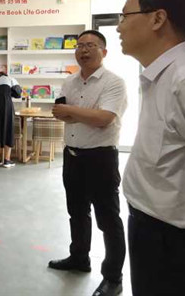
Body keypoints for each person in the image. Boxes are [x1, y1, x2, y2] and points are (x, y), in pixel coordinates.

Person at [119, 0, 185, 296]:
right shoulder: (161, 75)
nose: (119, 27)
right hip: (152, 228)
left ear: (158, 19)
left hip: (180, 242)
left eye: (125, 16)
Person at [50, 30, 127, 296]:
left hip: (101, 158)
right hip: (72, 156)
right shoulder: (69, 81)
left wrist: (73, 112)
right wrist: (81, 114)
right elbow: (61, 114)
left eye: (90, 45)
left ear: (103, 52)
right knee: (77, 212)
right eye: (79, 45)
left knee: (108, 219)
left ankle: (113, 278)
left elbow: (104, 119)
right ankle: (79, 258)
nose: (83, 50)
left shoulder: (114, 82)